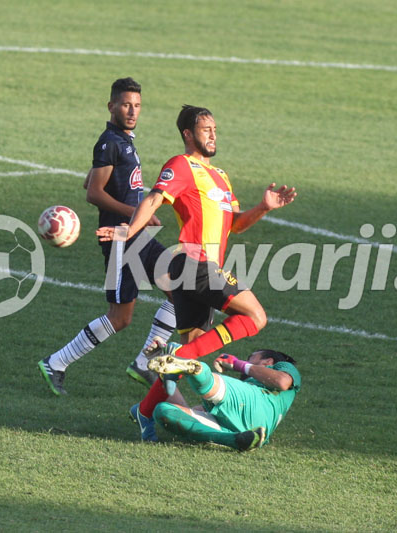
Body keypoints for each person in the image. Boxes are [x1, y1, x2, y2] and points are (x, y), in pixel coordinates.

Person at [97, 104, 297, 439]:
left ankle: (145, 412)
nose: (213, 134)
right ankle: (174, 357)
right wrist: (126, 233)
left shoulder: (221, 177)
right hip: (195, 263)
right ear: (188, 134)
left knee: (194, 361)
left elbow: (236, 225)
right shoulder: (182, 165)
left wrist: (263, 207)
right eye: (206, 129)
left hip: (194, 272)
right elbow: (153, 200)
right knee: (255, 317)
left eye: (215, 129)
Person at [37, 77, 175, 396]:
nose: (132, 110)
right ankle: (56, 363)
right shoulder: (110, 141)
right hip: (119, 239)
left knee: (180, 291)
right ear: (111, 105)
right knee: (121, 317)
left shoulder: (121, 140)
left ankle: (143, 362)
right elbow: (94, 194)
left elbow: (90, 180)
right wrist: (135, 212)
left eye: (137, 105)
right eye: (126, 104)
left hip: (135, 235)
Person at [147, 348, 301, 451]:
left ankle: (194, 369)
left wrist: (238, 364)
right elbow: (191, 412)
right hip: (251, 430)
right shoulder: (246, 387)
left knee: (213, 383)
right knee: (163, 411)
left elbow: (282, 382)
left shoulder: (283, 367)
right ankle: (235, 440)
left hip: (260, 403)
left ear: (268, 362)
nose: (247, 360)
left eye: (251, 357)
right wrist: (156, 367)